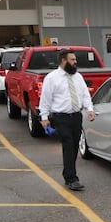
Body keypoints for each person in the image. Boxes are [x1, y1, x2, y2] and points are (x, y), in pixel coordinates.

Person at [39, 49, 95, 191]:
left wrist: (90, 109)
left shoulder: (78, 77)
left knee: (74, 145)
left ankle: (67, 173)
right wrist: (44, 117)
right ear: (63, 61)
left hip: (76, 116)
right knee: (68, 144)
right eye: (72, 60)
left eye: (75, 60)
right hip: (61, 117)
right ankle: (72, 178)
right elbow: (45, 99)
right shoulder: (52, 78)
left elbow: (85, 94)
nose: (75, 62)